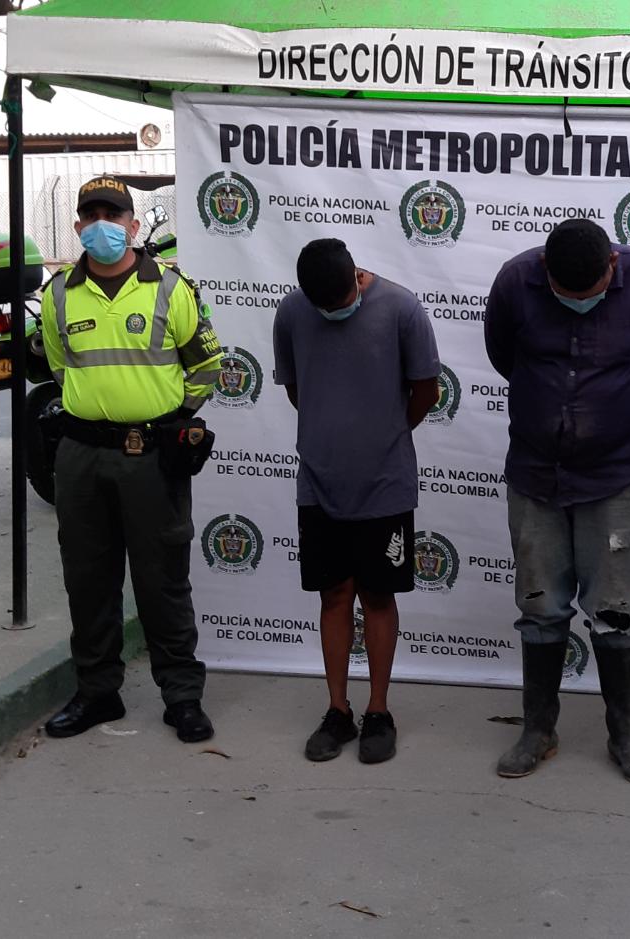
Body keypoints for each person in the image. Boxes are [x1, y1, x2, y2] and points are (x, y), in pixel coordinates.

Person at [483, 219, 630, 787]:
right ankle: (538, 731)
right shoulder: (514, 282)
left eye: (591, 295)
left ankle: (625, 737)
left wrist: (608, 412)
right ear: (545, 270)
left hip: (616, 477)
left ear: (613, 267)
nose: (579, 304)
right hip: (535, 474)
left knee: (615, 612)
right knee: (541, 607)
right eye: (565, 296)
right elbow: (505, 357)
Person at [40, 175, 222, 742]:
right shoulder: (59, 295)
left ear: (134, 227)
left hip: (152, 459)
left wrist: (171, 421)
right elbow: (59, 369)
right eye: (90, 216)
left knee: (162, 578)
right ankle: (97, 694)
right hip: (81, 458)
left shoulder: (171, 288)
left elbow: (208, 365)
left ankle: (182, 697)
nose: (102, 226)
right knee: (88, 579)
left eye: (112, 216)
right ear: (77, 227)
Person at [272, 239, 441, 764]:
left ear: (359, 276)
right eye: (323, 307)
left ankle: (379, 711)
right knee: (333, 595)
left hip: (385, 486)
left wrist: (384, 435)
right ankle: (338, 711)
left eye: (342, 301)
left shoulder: (401, 308)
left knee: (379, 597)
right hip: (319, 483)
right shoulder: (291, 312)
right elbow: (296, 388)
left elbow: (426, 390)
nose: (333, 312)